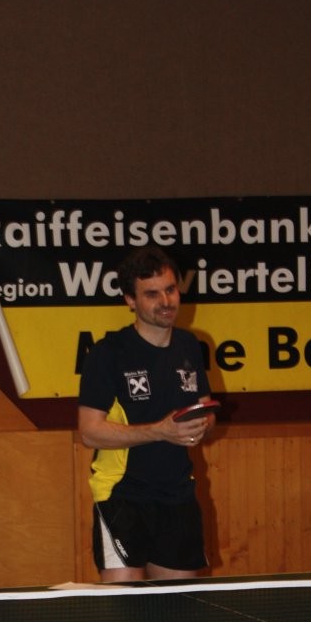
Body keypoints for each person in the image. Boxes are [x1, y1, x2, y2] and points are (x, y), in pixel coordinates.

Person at [78, 245, 215, 583]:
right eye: (152, 294)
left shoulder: (189, 346)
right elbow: (90, 432)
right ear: (130, 300)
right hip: (122, 498)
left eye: (170, 289)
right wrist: (160, 431)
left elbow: (204, 409)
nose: (165, 301)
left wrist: (203, 425)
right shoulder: (107, 354)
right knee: (124, 610)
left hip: (178, 498)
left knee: (178, 609)